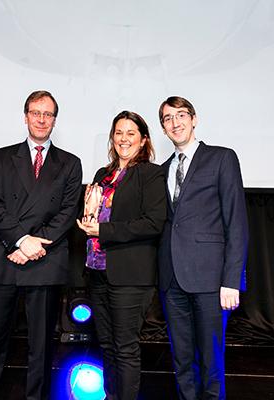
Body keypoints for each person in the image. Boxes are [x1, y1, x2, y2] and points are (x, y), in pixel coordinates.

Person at [0, 90, 83, 400]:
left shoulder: (70, 163)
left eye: (48, 114)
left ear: (55, 120)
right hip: (3, 257)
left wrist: (34, 246)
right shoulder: (2, 157)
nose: (41, 119)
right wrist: (20, 240)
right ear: (26, 117)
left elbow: (67, 212)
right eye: (36, 113)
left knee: (41, 348)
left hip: (45, 259)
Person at [157, 96, 248, 400]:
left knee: (211, 361)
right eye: (168, 118)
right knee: (182, 360)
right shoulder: (163, 169)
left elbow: (236, 222)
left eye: (181, 115)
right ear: (163, 128)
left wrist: (232, 280)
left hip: (211, 280)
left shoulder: (222, 158)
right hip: (172, 280)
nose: (175, 122)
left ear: (194, 119)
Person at [77, 110, 167, 400]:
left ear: (143, 140)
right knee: (106, 345)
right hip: (97, 272)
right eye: (118, 133)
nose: (123, 139)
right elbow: (96, 215)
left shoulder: (151, 174)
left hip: (130, 276)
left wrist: (102, 230)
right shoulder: (102, 175)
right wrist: (88, 220)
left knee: (125, 348)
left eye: (131, 133)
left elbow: (153, 223)